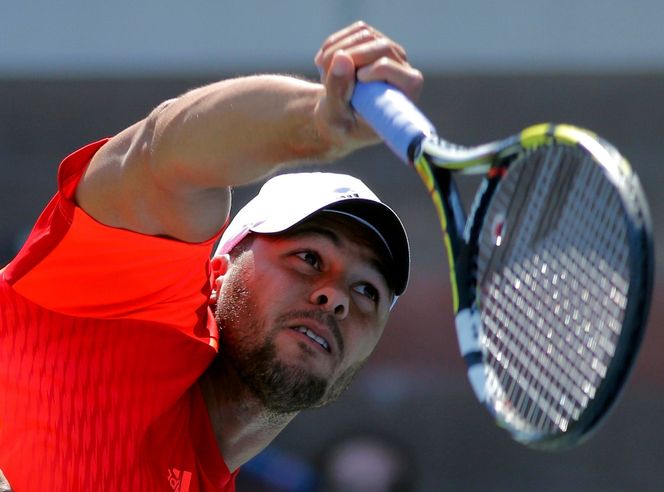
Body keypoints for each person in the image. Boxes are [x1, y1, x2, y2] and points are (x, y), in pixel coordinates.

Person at [0, 21, 423, 491]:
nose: (335, 297)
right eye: (308, 258)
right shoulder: (123, 315)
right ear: (217, 272)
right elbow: (163, 154)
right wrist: (316, 123)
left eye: (368, 290)